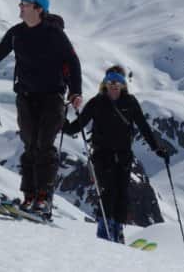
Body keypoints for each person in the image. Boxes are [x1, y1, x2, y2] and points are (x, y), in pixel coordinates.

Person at [0, 0, 82, 215]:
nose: (20, 7)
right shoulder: (16, 33)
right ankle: (29, 195)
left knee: (44, 146)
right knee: (30, 146)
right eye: (21, 3)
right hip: (25, 97)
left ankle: (43, 197)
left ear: (39, 9)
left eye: (25, 4)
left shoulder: (54, 34)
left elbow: (72, 61)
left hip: (52, 97)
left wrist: (75, 92)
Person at [63, 65, 169, 243]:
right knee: (108, 191)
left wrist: (157, 148)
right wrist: (63, 123)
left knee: (122, 194)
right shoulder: (96, 103)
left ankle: (117, 230)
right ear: (105, 83)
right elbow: (77, 126)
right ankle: (104, 230)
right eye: (111, 81)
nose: (114, 85)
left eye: (118, 81)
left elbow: (143, 127)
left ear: (123, 84)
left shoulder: (130, 103)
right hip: (102, 155)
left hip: (123, 156)